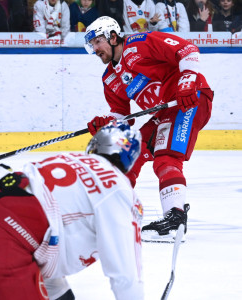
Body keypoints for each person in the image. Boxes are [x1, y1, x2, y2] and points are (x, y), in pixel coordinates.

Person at [0, 122, 144, 299]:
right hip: (3, 238)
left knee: (53, 289)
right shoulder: (119, 189)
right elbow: (126, 276)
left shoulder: (66, 158)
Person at [84, 16, 214, 242]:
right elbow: (122, 116)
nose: (95, 49)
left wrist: (186, 80)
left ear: (113, 36)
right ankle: (117, 211)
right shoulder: (109, 78)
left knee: (166, 157)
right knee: (131, 151)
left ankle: (175, 219)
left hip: (190, 99)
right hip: (165, 111)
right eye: (92, 45)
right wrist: (106, 122)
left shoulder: (139, 43)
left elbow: (187, 49)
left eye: (97, 42)